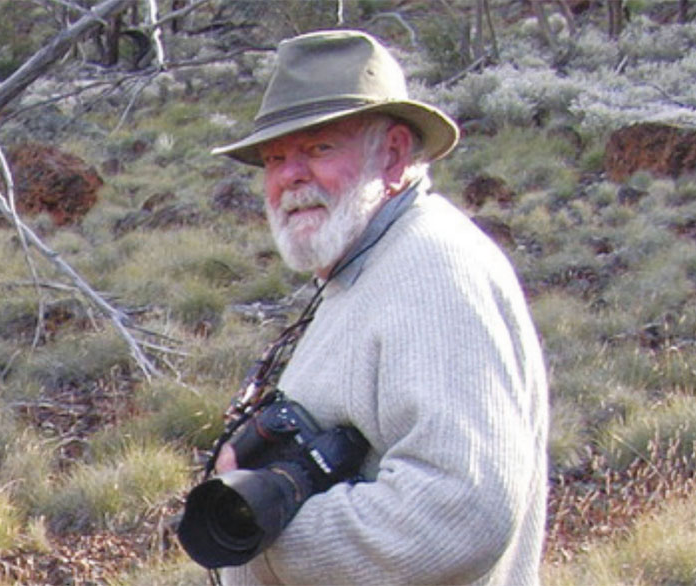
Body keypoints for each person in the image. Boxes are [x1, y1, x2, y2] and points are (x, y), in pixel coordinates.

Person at [210, 29, 549, 586]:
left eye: (319, 148)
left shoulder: (435, 269)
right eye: (275, 158)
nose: (290, 176)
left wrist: (261, 530)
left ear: (392, 155)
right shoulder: (365, 267)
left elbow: (458, 511)